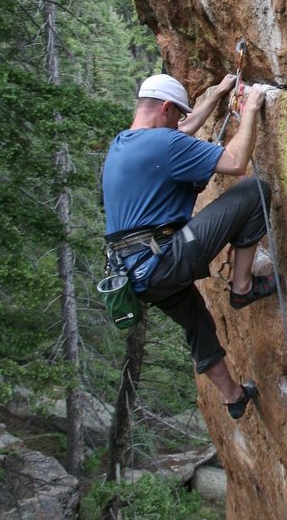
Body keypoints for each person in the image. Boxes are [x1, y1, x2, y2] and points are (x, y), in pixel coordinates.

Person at [102, 73, 277, 419]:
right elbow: (235, 162)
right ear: (165, 108)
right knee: (254, 191)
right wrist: (253, 107)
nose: (182, 121)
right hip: (163, 258)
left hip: (138, 277)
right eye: (177, 114)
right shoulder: (163, 145)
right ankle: (242, 286)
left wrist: (217, 94)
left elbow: (181, 132)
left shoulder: (124, 143)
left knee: (196, 322)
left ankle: (233, 396)